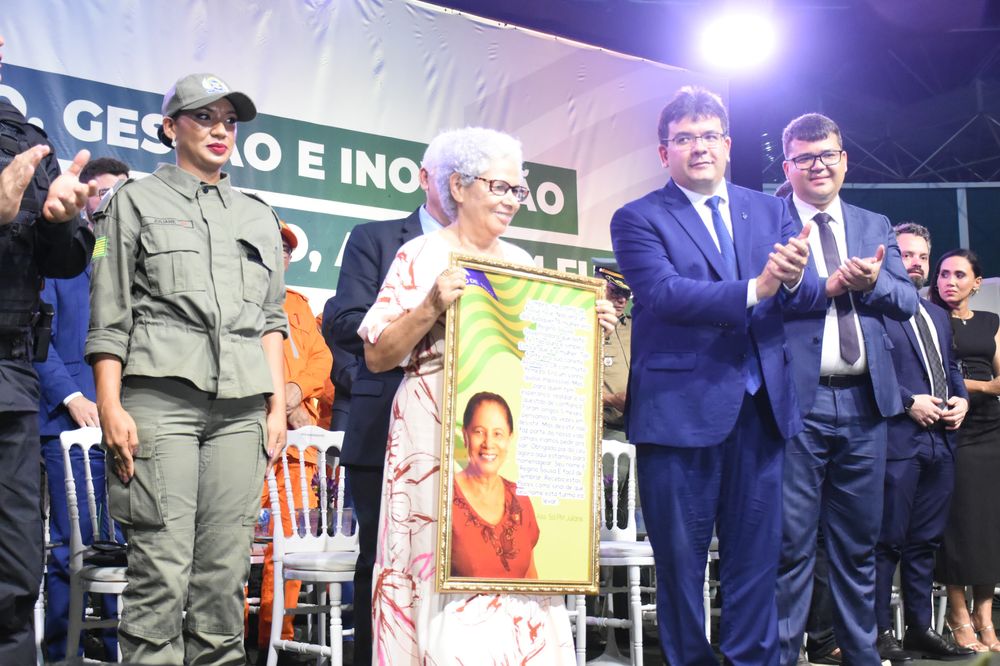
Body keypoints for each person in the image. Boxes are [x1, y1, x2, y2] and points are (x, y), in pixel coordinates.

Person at [360, 126, 616, 663]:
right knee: (432, 562)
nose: (512, 201)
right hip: (430, 440)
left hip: (500, 435)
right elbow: (378, 355)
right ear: (457, 186)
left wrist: (587, 326)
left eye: (518, 191)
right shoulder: (419, 254)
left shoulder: (522, 262)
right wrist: (429, 306)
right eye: (501, 187)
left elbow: (545, 366)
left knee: (508, 565)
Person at [609, 86, 821, 666]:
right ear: (663, 152)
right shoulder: (638, 218)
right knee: (681, 561)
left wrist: (798, 277)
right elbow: (663, 293)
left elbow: (799, 298)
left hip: (762, 409)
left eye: (708, 137)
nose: (697, 148)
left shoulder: (774, 209)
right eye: (683, 139)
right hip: (679, 410)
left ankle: (753, 658)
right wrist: (760, 288)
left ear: (727, 145)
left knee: (757, 556)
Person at [86, 72, 287, 665]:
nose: (220, 129)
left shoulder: (258, 215)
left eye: (229, 120)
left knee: (224, 581)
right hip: (158, 403)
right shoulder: (134, 200)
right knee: (161, 573)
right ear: (170, 128)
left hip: (241, 411)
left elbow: (271, 320)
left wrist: (276, 407)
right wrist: (109, 404)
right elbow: (109, 313)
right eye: (204, 117)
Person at [777, 113, 918, 665]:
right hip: (796, 404)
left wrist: (874, 282)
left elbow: (906, 302)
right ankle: (785, 655)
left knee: (860, 545)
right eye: (805, 157)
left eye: (828, 154)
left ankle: (861, 654)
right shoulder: (768, 219)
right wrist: (825, 285)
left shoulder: (872, 221)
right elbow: (760, 299)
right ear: (787, 166)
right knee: (790, 545)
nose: (819, 166)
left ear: (844, 160)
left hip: (865, 403)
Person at [322, 133, 450, 666]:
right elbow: (346, 321)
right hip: (385, 421)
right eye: (453, 177)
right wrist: (423, 315)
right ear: (426, 179)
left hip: (467, 430)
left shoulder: (497, 253)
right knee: (385, 562)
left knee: (458, 568)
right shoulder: (376, 239)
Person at [0, 33, 96, 664]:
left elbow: (60, 262)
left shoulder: (23, 137)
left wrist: (59, 222)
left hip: (10, 373)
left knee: (14, 568)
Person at [35, 156, 129, 662]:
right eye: (101, 192)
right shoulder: (61, 255)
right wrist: (74, 397)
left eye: (119, 192)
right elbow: (36, 336)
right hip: (68, 421)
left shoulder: (122, 257)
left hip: (126, 423)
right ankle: (61, 654)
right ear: (85, 197)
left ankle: (118, 649)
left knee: (127, 547)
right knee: (73, 545)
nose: (108, 201)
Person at [873, 223, 974, 661]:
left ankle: (920, 629)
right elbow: (869, 372)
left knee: (925, 543)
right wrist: (908, 401)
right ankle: (877, 633)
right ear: (890, 256)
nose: (914, 263)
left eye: (921, 257)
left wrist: (964, 401)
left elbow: (951, 368)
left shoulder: (935, 313)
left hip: (942, 443)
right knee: (887, 542)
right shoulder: (874, 308)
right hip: (899, 438)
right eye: (906, 254)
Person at [256, 221, 333, 655]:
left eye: (286, 250)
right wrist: (282, 402)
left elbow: (321, 359)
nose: (280, 256)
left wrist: (297, 391)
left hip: (298, 450)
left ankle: (274, 643)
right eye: (273, 248)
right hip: (251, 437)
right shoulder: (238, 297)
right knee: (223, 545)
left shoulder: (299, 304)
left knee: (288, 550)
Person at [929, 248, 1000, 654]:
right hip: (949, 425)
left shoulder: (990, 321)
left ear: (977, 282)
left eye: (958, 275)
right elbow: (934, 374)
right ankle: (958, 615)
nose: (948, 281)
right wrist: (982, 387)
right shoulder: (928, 317)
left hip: (990, 429)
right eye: (943, 274)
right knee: (957, 526)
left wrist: (988, 388)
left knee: (988, 526)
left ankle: (984, 616)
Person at [450, 391, 538, 579]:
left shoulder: (520, 497)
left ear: (509, 438)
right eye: (479, 432)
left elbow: (531, 579)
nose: (488, 443)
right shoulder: (443, 497)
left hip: (517, 609)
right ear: (465, 435)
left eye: (498, 434)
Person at [594, 258, 631, 442]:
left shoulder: (638, 328)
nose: (622, 299)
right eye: (616, 290)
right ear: (599, 285)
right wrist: (610, 399)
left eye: (627, 292)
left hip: (637, 435)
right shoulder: (584, 327)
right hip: (601, 433)